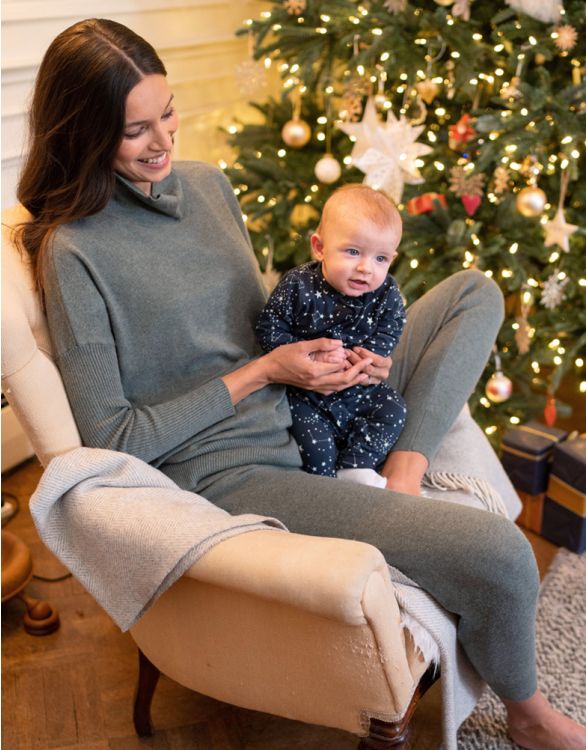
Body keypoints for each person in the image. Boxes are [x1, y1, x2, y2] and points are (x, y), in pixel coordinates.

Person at [15, 18, 586, 750]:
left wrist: (346, 358)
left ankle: (403, 467)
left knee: (473, 294)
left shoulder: (207, 185)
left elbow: (254, 317)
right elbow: (113, 437)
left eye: (168, 112)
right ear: (86, 132)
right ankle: (529, 715)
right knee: (502, 555)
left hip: (306, 394)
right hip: (239, 468)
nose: (163, 141)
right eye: (135, 130)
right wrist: (263, 373)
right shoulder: (74, 252)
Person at [256, 185, 406, 484]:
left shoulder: (386, 291)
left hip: (358, 385)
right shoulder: (298, 284)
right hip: (305, 391)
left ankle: (356, 465)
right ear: (320, 247)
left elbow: (392, 324)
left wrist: (369, 355)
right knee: (314, 441)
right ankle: (326, 485)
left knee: (393, 409)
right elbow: (269, 327)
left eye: (381, 258)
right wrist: (309, 354)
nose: (366, 268)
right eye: (353, 252)